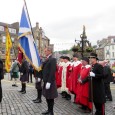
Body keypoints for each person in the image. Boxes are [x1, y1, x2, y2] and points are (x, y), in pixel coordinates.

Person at [41, 46, 58, 115]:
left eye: (45, 51)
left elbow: (52, 71)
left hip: (50, 81)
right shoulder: (47, 59)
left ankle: (51, 112)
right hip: (46, 80)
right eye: (44, 51)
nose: (44, 52)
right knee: (47, 96)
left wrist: (49, 82)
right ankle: (48, 110)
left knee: (51, 97)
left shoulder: (53, 59)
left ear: (49, 51)